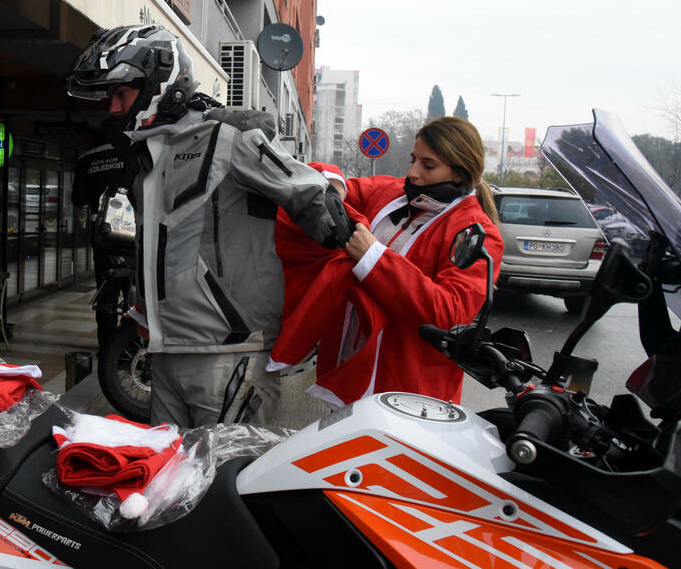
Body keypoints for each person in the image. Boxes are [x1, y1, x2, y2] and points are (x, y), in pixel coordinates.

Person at [64, 24, 352, 428]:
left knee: (228, 469)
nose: (113, 108)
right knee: (172, 469)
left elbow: (312, 195)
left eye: (120, 94)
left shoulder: (226, 136)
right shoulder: (146, 159)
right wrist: (143, 313)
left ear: (157, 84)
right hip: (165, 353)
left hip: (229, 354)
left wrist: (355, 242)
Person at [268, 116, 503, 408]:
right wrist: (334, 188)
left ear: (461, 172)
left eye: (428, 165)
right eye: (413, 160)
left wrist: (373, 257)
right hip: (349, 367)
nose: (413, 173)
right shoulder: (390, 192)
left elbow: (450, 313)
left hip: (409, 390)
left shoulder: (477, 234)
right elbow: (321, 178)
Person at [71, 122, 132, 379]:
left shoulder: (86, 159)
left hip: (102, 236)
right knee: (133, 295)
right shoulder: (131, 153)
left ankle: (106, 350)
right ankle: (127, 352)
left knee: (106, 296)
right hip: (131, 234)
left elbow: (78, 199)